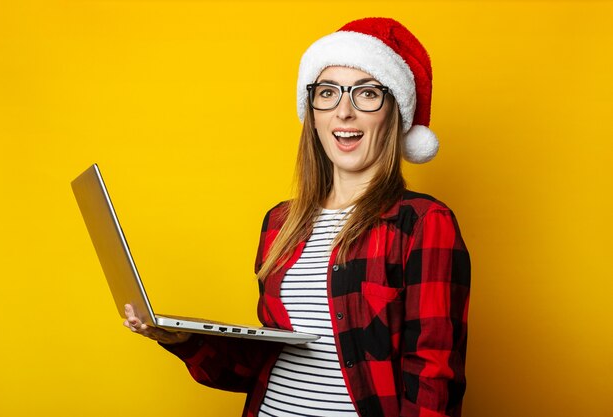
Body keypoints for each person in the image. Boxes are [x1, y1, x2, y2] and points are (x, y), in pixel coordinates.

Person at [124, 17, 470, 417]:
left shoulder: (424, 223)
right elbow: (260, 370)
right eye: (328, 93)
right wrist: (180, 338)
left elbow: (434, 380)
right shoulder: (280, 223)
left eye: (367, 94)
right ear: (313, 112)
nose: (344, 111)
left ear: (393, 113)